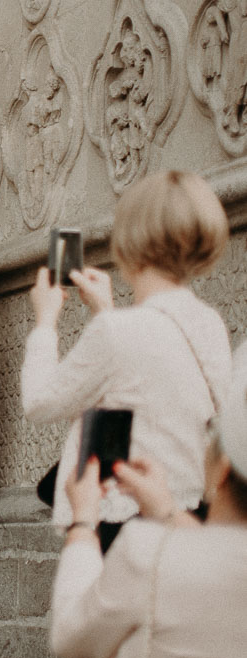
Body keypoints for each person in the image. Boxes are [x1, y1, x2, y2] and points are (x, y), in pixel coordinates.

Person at [24, 170, 232, 539]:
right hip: (185, 515)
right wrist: (106, 310)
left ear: (128, 242)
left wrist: (45, 321)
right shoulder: (208, 322)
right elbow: (144, 377)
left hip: (122, 519)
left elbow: (40, 403)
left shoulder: (118, 332)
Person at [49, 352, 247, 658]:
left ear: (224, 468)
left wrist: (84, 522)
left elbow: (71, 636)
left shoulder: (148, 552)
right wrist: (166, 509)